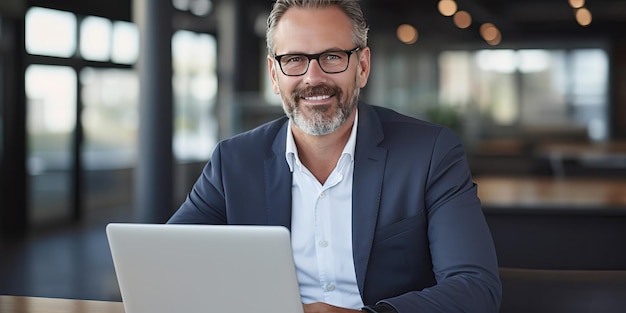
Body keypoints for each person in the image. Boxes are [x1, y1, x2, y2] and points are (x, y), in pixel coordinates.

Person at [167, 0, 502, 312]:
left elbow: (475, 287)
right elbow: (167, 264)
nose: (314, 78)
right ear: (274, 73)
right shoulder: (234, 162)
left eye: (332, 56)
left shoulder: (430, 152)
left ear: (363, 66)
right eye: (294, 59)